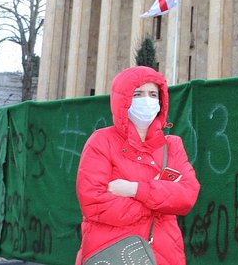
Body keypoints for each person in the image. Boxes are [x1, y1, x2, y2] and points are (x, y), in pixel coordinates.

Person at [76, 66, 200, 265]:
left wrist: (135, 190)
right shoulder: (101, 141)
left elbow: (187, 196)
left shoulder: (173, 146)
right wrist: (159, 204)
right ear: (122, 99)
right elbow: (93, 202)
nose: (147, 100)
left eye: (153, 94)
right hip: (114, 252)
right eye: (138, 94)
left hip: (166, 254)